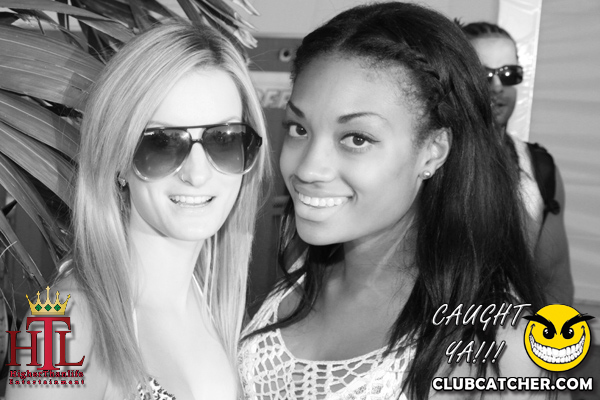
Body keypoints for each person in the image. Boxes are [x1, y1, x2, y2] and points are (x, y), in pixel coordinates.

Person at [239, 3, 548, 400]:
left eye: (357, 138)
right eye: (299, 128)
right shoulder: (297, 276)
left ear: (433, 151)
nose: (308, 168)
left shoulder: (500, 343)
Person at [6, 22, 269, 400]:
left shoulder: (215, 303)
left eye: (224, 140)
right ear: (118, 160)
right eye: (162, 144)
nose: (197, 174)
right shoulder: (55, 322)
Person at [462, 22, 573, 305]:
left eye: (509, 74)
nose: (497, 86)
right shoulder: (428, 159)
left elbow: (554, 284)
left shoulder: (539, 169)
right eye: (483, 74)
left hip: (513, 329)